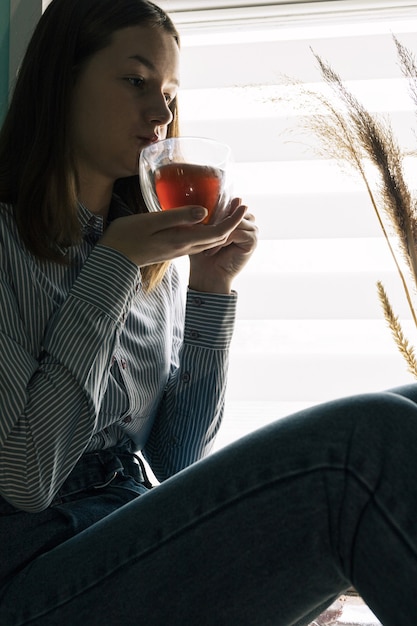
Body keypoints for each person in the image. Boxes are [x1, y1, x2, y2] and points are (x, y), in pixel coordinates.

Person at [0, 1, 416, 624]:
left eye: (169, 92)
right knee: (364, 440)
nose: (161, 113)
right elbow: (27, 478)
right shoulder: (14, 245)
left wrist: (211, 291)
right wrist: (114, 265)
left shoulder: (149, 259)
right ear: (62, 81)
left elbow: (173, 461)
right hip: (37, 573)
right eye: (136, 81)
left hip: (130, 532)